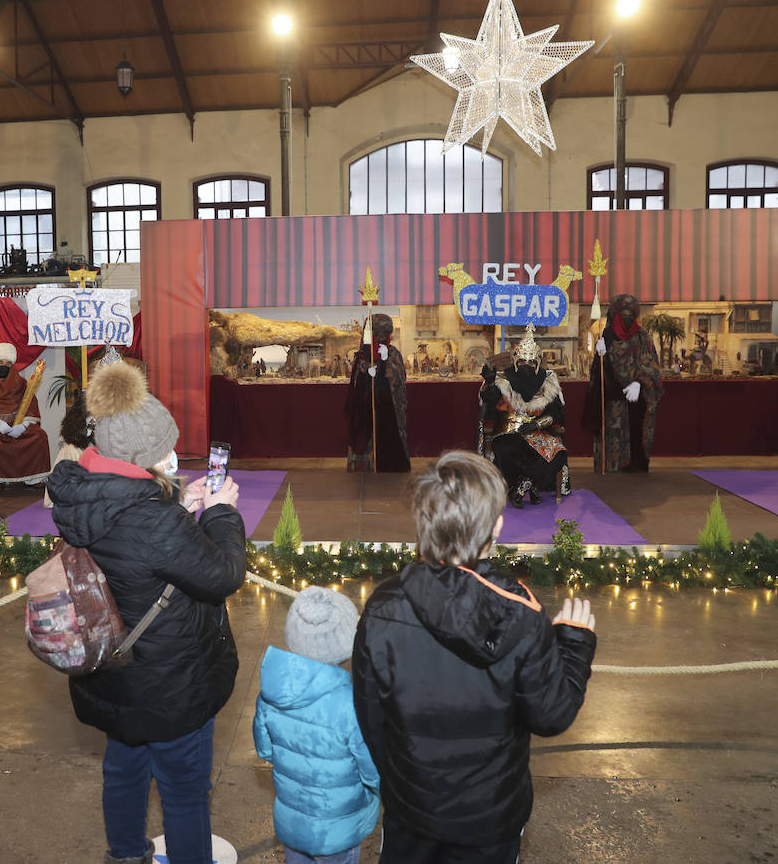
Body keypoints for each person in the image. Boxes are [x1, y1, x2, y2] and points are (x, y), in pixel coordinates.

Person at [45, 361, 247, 864]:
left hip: (113, 674)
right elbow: (223, 574)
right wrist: (222, 512)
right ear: (146, 456)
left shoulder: (81, 495)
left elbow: (129, 535)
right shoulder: (155, 522)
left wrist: (179, 503)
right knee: (183, 792)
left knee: (124, 768)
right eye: (164, 451)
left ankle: (126, 853)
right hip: (169, 684)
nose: (172, 456)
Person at [352, 451, 597, 864]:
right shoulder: (522, 610)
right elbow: (551, 715)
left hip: (411, 809)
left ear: (423, 523)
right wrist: (573, 646)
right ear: (497, 526)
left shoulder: (382, 606)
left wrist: (402, 783)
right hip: (489, 818)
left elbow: (371, 718)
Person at [254, 587, 379, 864]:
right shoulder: (352, 704)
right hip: (338, 830)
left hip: (292, 822)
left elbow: (264, 750)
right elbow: (372, 771)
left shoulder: (271, 693)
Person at [481, 324, 571, 508]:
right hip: (508, 432)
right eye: (522, 361)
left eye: (531, 362)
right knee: (505, 449)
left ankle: (523, 485)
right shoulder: (503, 380)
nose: (526, 365)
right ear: (515, 361)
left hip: (537, 433)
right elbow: (488, 401)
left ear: (537, 363)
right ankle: (525, 485)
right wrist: (490, 384)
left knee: (559, 453)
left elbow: (556, 414)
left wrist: (537, 425)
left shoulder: (548, 382)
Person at [582, 293, 664, 473]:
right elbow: (599, 373)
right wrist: (600, 356)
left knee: (634, 433)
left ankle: (634, 463)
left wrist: (639, 383)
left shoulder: (642, 337)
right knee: (611, 434)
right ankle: (609, 465)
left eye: (630, 314)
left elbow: (651, 365)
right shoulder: (607, 335)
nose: (627, 317)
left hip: (636, 400)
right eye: (623, 313)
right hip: (611, 399)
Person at [0, 341, 52, 488]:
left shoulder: (23, 384)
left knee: (39, 435)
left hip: (18, 425)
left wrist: (23, 426)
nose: (3, 366)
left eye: (7, 363)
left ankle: (33, 478)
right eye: (0, 362)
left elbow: (31, 409)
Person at [345, 313, 410, 473]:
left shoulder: (393, 353)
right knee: (365, 434)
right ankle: (365, 465)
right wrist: (367, 373)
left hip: (388, 407)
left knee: (389, 434)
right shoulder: (363, 354)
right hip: (366, 407)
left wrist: (385, 362)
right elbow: (356, 380)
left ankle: (389, 463)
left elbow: (399, 380)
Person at [43, 389, 93, 508]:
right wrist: (89, 430)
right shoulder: (74, 419)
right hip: (75, 452)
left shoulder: (100, 416)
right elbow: (69, 437)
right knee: (73, 452)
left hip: (92, 451)